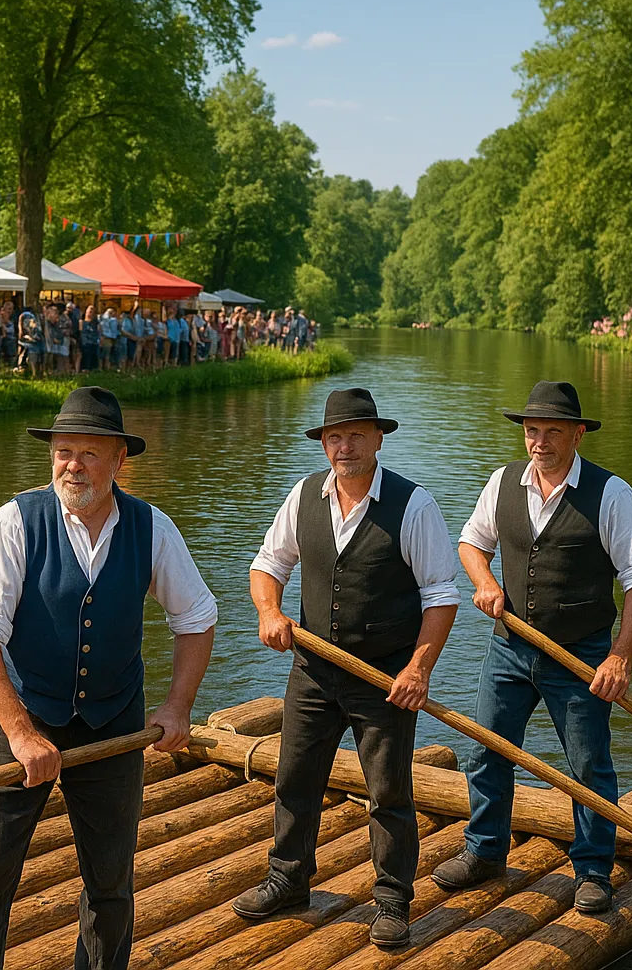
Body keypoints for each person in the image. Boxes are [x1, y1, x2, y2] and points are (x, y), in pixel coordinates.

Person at [0, 386, 217, 970]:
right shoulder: (15, 521)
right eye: (63, 451)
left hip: (112, 721)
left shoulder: (152, 528)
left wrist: (177, 707)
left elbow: (196, 619)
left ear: (120, 460)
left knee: (110, 882)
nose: (73, 465)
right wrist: (19, 731)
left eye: (89, 453)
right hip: (19, 717)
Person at [233, 388, 460, 947]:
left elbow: (441, 595)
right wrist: (269, 611)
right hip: (313, 668)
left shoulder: (413, 505)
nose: (345, 445)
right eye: (335, 436)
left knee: (388, 792)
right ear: (324, 444)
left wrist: (418, 669)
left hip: (384, 678)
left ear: (379, 439)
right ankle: (288, 879)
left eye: (356, 434)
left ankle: (391, 901)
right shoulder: (304, 495)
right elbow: (268, 564)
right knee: (294, 777)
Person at [432, 381, 632, 915]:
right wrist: (484, 582)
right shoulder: (502, 481)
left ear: (578, 434)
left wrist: (619, 656)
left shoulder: (611, 494)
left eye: (553, 431)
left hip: (581, 654)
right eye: (532, 431)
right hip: (510, 647)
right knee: (488, 750)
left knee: (588, 766)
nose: (539, 441)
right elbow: (470, 542)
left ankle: (593, 870)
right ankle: (485, 852)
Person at [79, 305, 100, 373]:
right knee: (85, 358)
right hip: (85, 343)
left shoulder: (96, 323)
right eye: (89, 311)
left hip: (94, 343)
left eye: (92, 311)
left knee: (94, 358)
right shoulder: (81, 322)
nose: (90, 313)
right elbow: (80, 332)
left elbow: (99, 332)